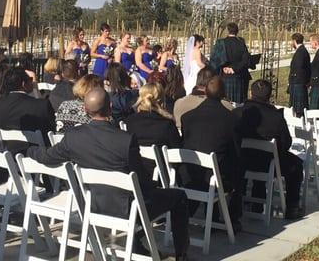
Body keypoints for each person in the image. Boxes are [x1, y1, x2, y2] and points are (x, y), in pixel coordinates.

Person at [27, 88, 190, 260]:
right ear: (110, 107)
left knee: (137, 196)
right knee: (178, 197)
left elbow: (47, 156)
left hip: (91, 205)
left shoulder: (73, 137)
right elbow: (141, 182)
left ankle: (137, 245)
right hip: (126, 210)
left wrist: (29, 151)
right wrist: (155, 186)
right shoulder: (125, 140)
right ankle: (181, 255)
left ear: (85, 110)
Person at [235, 79, 304, 219]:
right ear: (269, 96)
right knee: (296, 165)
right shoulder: (276, 117)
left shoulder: (237, 113)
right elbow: (286, 143)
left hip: (242, 162)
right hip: (268, 164)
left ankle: (249, 201)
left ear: (250, 93)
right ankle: (292, 206)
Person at [180, 76, 242, 230]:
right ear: (223, 94)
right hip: (216, 178)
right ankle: (233, 218)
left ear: (205, 91)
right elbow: (235, 150)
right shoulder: (230, 119)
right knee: (239, 167)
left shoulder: (187, 117)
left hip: (189, 174)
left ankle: (208, 215)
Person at [0, 67, 55, 141]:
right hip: (37, 150)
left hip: (7, 149)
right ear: (23, 84)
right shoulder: (42, 105)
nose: (32, 82)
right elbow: (53, 131)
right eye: (30, 80)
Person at [126, 82, 181, 177]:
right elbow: (176, 152)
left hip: (137, 172)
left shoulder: (130, 122)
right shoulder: (166, 124)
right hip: (161, 175)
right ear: (161, 100)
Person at [215, 22, 252, 104]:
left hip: (225, 77)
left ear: (227, 31)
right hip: (239, 76)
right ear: (237, 31)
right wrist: (234, 69)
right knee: (239, 104)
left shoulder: (221, 43)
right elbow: (246, 60)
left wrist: (223, 68)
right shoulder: (241, 42)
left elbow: (216, 60)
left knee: (226, 103)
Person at [288, 33, 311, 116]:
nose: (291, 43)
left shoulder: (301, 52)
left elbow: (298, 68)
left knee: (299, 109)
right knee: (298, 108)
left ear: (294, 41)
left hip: (298, 82)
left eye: (291, 41)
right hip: (299, 82)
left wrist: (291, 80)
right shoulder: (302, 50)